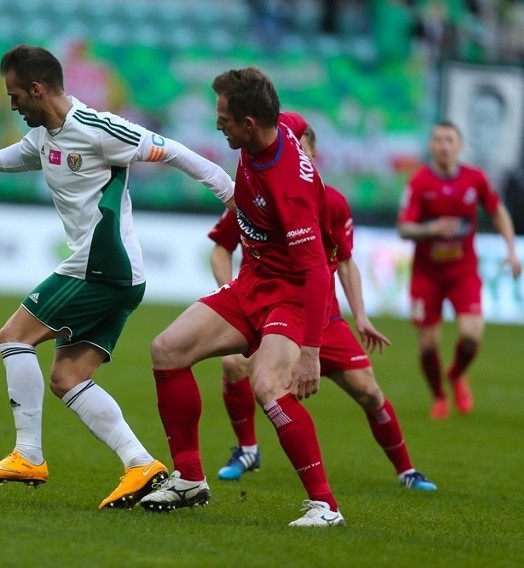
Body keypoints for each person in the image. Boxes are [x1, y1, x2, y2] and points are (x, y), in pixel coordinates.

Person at [0, 44, 236, 510]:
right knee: (68, 376)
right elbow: (15, 157)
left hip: (102, 265)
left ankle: (28, 455)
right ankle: (140, 464)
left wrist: (229, 193)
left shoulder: (99, 129)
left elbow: (173, 151)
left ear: (37, 90)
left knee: (13, 337)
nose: (12, 106)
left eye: (16, 97)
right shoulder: (43, 137)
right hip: (111, 272)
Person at [140, 67, 344, 527]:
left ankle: (325, 506)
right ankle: (190, 478)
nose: (218, 125)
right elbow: (292, 118)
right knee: (167, 350)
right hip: (252, 282)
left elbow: (314, 269)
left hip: (290, 296)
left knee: (268, 386)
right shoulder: (280, 125)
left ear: (249, 123)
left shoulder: (287, 186)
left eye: (224, 119)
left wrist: (311, 350)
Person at [211, 125, 437, 492]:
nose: (292, 155)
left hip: (324, 322)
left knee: (369, 392)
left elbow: (345, 262)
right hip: (274, 314)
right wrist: (227, 289)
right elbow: (221, 246)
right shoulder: (257, 192)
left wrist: (361, 315)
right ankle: (248, 450)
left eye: (300, 150)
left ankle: (407, 471)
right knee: (234, 363)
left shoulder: (331, 203)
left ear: (312, 156)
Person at [397, 120, 520, 419]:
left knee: (471, 334)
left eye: (449, 140)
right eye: (438, 140)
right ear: (431, 146)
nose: (443, 145)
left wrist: (511, 249)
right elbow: (404, 228)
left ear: (459, 146)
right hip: (427, 275)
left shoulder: (475, 179)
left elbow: (497, 210)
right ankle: (439, 395)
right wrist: (432, 229)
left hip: (462, 272)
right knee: (427, 346)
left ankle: (455, 375)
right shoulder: (420, 182)